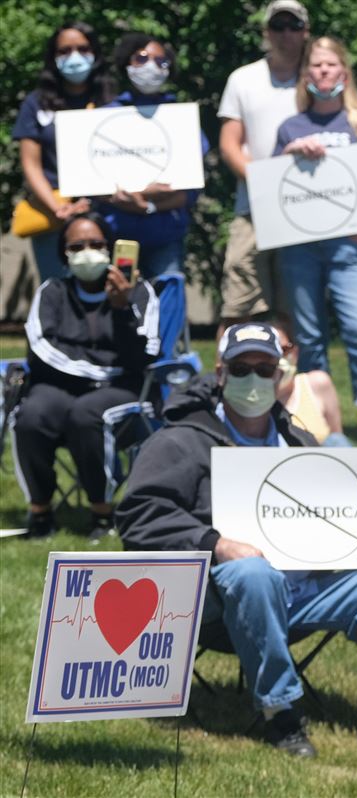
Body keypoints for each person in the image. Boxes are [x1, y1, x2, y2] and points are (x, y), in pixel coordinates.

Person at [115, 323, 357, 761]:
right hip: (217, 598)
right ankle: (279, 711)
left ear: (279, 376)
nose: (254, 380)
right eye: (242, 369)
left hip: (301, 591)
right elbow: (139, 515)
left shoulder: (298, 440)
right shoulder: (180, 439)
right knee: (251, 572)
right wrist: (214, 543)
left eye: (264, 370)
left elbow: (338, 516)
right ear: (220, 374)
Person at [274, 35, 357, 447]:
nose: (323, 71)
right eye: (316, 65)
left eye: (330, 64)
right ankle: (320, 418)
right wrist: (289, 152)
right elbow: (272, 188)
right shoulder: (290, 127)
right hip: (299, 245)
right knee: (309, 336)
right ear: (305, 73)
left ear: (344, 71)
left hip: (350, 245)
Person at [13, 212, 158, 540]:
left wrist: (121, 309)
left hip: (123, 388)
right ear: (64, 253)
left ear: (110, 248)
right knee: (31, 415)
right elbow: (42, 347)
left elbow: (145, 353)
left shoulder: (139, 292)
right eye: (76, 247)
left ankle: (102, 513)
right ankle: (40, 511)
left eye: (95, 244)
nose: (87, 252)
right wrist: (97, 372)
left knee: (87, 414)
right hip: (62, 385)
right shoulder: (52, 291)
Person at [216, 0, 309, 333]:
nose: (285, 33)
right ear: (266, 32)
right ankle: (228, 364)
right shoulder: (243, 79)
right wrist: (264, 181)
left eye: (293, 26)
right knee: (238, 303)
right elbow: (229, 144)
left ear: (306, 32)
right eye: (278, 26)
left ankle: (290, 367)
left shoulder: (317, 77)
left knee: (294, 305)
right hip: (253, 205)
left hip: (306, 206)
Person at [97, 32, 209, 279]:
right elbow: (91, 181)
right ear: (126, 62)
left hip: (165, 237)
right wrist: (141, 195)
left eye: (161, 61)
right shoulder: (103, 117)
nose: (151, 66)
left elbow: (189, 188)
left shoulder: (181, 118)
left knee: (167, 298)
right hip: (115, 235)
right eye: (142, 58)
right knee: (119, 297)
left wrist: (147, 206)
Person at [13, 21, 115, 280]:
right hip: (54, 215)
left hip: (106, 213)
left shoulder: (112, 102)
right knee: (56, 288)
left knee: (108, 289)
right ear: (53, 57)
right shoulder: (36, 103)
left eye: (83, 49)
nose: (74, 57)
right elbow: (30, 163)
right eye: (65, 51)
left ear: (95, 53)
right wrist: (58, 207)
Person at [273, 325, 350, 446]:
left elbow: (337, 437)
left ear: (296, 352)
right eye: (269, 353)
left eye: (283, 349)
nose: (277, 358)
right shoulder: (245, 396)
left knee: (337, 440)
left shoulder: (318, 383)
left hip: (319, 457)